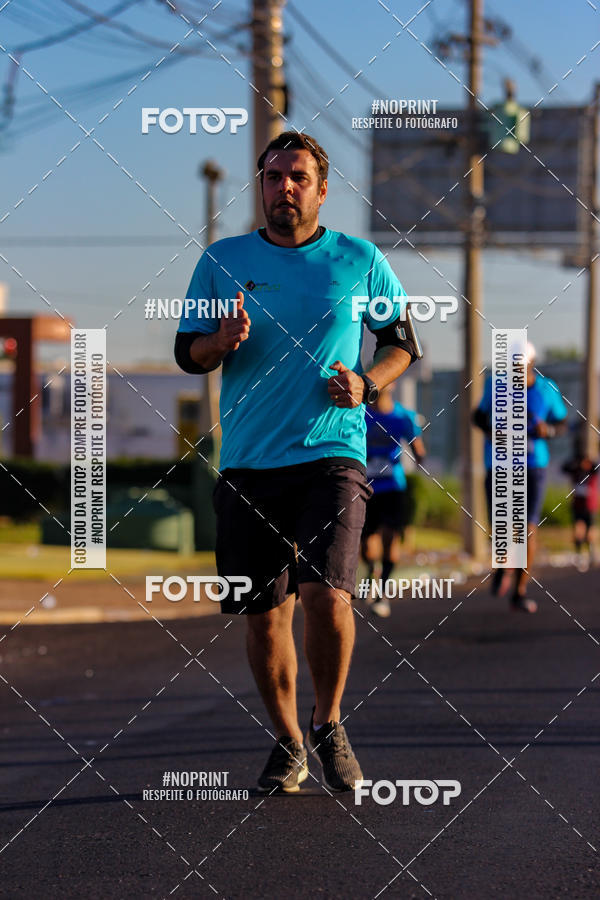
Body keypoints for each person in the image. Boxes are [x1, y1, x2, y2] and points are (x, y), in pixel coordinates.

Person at [174, 132, 420, 793]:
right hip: (250, 460)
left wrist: (367, 383)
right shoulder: (222, 260)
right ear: (261, 185)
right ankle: (287, 741)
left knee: (328, 595)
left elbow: (401, 342)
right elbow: (185, 351)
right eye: (273, 175)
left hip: (331, 452)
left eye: (298, 176)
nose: (285, 186)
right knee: (263, 614)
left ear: (321, 188)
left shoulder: (358, 259)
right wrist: (217, 343)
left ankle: (328, 721)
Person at [473, 342, 567, 613]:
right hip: (500, 465)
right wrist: (492, 430)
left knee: (527, 529)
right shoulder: (495, 385)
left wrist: (546, 430)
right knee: (501, 529)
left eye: (520, 366)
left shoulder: (546, 389)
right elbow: (477, 416)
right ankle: (502, 564)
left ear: (531, 363)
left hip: (532, 466)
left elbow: (561, 423)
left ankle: (520, 590)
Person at [361, 386, 426, 617]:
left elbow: (418, 448)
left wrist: (419, 454)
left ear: (394, 385)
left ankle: (382, 593)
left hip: (393, 487)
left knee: (390, 537)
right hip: (365, 487)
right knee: (367, 544)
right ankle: (372, 569)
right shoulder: (361, 414)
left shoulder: (403, 417)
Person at [562, 448, 599, 569]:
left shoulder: (593, 470)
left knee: (590, 531)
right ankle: (578, 555)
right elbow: (564, 468)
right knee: (578, 530)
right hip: (577, 505)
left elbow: (596, 465)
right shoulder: (575, 469)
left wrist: (590, 460)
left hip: (589, 505)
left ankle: (591, 553)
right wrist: (576, 463)